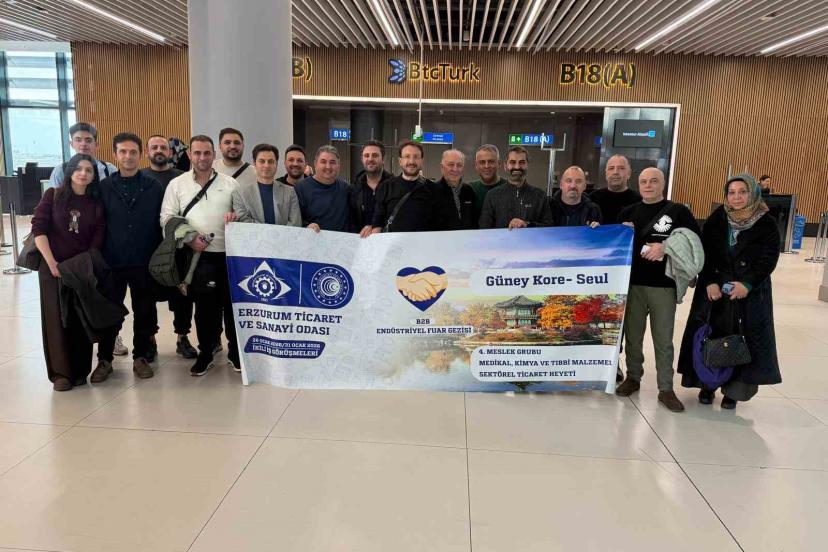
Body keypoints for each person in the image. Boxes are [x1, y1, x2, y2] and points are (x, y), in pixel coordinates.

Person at [678, 174, 781, 409]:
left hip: (748, 292)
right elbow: (704, 253)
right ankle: (707, 384)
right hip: (715, 290)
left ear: (753, 193)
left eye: (742, 192)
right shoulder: (717, 218)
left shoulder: (766, 223)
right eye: (731, 192)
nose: (736, 197)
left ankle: (733, 391)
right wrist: (709, 281)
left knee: (742, 338)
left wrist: (747, 284)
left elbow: (769, 259)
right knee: (710, 334)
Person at [615, 167, 701, 412]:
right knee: (633, 337)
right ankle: (633, 377)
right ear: (638, 184)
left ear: (663, 183)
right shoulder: (628, 212)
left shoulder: (678, 212)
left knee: (663, 339)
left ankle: (666, 388)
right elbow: (615, 245)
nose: (648, 185)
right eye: (644, 181)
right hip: (633, 285)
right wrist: (624, 233)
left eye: (654, 181)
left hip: (663, 286)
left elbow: (694, 241)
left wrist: (666, 247)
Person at [160, 135, 246, 376]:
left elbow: (242, 213)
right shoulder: (177, 184)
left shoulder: (230, 184)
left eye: (207, 153)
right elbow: (167, 219)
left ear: (214, 155)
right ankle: (206, 353)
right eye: (197, 153)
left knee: (232, 307)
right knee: (205, 309)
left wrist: (236, 217)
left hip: (229, 256)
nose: (202, 157)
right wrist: (189, 238)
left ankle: (235, 353)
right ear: (189, 155)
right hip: (198, 257)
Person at [92, 132, 165, 382]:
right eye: (123, 151)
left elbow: (160, 223)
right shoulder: (104, 187)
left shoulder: (154, 187)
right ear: (115, 155)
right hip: (112, 261)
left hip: (144, 260)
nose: (128, 156)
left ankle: (141, 356)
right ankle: (104, 359)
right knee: (110, 311)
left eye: (133, 152)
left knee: (144, 311)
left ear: (140, 154)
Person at [33, 154, 107, 391]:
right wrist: (52, 263)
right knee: (56, 320)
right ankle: (61, 374)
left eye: (89, 170)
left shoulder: (96, 203)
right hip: (52, 269)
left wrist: (81, 266)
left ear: (94, 176)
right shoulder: (53, 195)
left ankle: (80, 370)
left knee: (79, 319)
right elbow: (39, 229)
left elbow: (97, 239)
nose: (83, 173)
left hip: (80, 269)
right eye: (78, 169)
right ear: (70, 171)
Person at [141, 135, 196, 359]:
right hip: (148, 246)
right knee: (147, 297)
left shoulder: (182, 178)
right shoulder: (141, 177)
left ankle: (182, 337)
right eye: (154, 147)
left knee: (182, 294)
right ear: (147, 152)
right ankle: (150, 339)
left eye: (163, 147)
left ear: (171, 152)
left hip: (178, 246)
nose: (159, 150)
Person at [368, 140, 459, 234]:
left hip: (424, 243)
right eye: (407, 156)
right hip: (394, 243)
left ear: (422, 161)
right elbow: (378, 221)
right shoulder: (386, 186)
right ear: (400, 161)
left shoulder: (435, 190)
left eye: (416, 157)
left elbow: (442, 225)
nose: (411, 161)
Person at [478, 146, 553, 229]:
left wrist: (527, 225)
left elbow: (549, 227)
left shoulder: (540, 196)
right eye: (512, 162)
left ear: (527, 165)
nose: (517, 167)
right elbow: (484, 230)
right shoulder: (492, 196)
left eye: (522, 162)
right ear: (505, 166)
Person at [236, 143, 301, 225]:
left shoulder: (290, 192)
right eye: (262, 161)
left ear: (276, 164)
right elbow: (243, 222)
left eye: (271, 161)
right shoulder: (240, 193)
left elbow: (295, 223)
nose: (266, 165)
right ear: (254, 164)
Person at [294, 145, 351, 233]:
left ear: (339, 165)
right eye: (323, 162)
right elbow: (294, 221)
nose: (328, 167)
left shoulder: (347, 189)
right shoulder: (300, 189)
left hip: (341, 240)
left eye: (332, 162)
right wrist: (306, 226)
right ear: (315, 164)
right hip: (310, 239)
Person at [48, 122, 118, 188]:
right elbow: (55, 196)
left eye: (88, 140)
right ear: (71, 144)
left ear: (96, 145)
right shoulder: (60, 171)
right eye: (78, 140)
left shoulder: (109, 170)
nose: (83, 144)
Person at [351, 140, 392, 234]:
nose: (370, 159)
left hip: (387, 240)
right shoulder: (354, 188)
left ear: (383, 159)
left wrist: (376, 226)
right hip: (360, 240)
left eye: (375, 155)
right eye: (366, 155)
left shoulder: (394, 186)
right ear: (362, 159)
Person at [590, 155, 642, 224]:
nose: (615, 172)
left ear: (629, 174)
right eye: (611, 168)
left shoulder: (639, 201)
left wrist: (636, 228)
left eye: (621, 168)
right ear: (606, 174)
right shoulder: (592, 198)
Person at [437, 149, 477, 230]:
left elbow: (475, 220)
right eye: (451, 164)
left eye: (459, 165)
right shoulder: (433, 191)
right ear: (442, 167)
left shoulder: (469, 191)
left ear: (463, 168)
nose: (455, 169)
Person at [468, 144, 507, 222]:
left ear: (499, 163)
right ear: (476, 165)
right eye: (482, 162)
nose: (486, 166)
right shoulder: (468, 189)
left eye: (491, 161)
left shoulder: (510, 187)